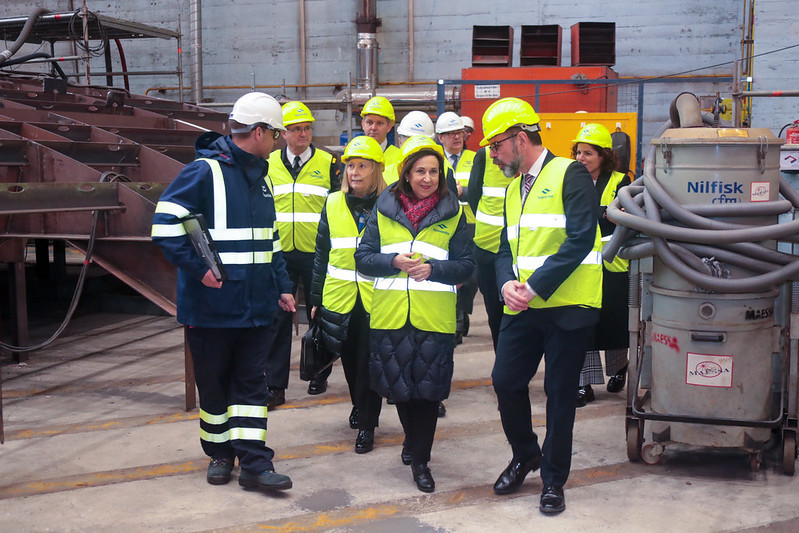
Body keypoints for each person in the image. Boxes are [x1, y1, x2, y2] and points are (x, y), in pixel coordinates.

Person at [151, 92, 295, 492]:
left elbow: (270, 241)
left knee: (251, 386)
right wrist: (200, 271)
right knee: (214, 386)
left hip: (255, 307)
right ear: (260, 132)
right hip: (211, 308)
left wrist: (283, 286)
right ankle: (220, 454)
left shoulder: (262, 176)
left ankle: (254, 464)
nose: (279, 141)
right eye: (277, 134)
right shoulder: (203, 172)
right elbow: (164, 227)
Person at [483, 97, 602, 514]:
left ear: (519, 139)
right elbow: (503, 249)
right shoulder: (514, 188)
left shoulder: (570, 173)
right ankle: (526, 453)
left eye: (496, 146)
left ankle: (553, 479)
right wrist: (505, 286)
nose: (492, 155)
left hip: (567, 306)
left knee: (559, 393)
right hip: (524, 305)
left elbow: (581, 239)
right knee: (505, 381)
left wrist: (533, 287)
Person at [355, 135, 474, 493]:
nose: (427, 178)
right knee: (400, 392)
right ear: (406, 173)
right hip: (390, 315)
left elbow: (467, 266)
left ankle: (421, 460)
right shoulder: (383, 209)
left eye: (434, 171)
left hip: (432, 318)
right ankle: (412, 440)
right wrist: (392, 262)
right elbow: (362, 258)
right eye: (420, 171)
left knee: (426, 393)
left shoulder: (454, 212)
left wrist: (434, 270)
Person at [309, 135, 387, 454]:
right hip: (341, 297)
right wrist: (314, 299)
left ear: (376, 170)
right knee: (351, 361)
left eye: (362, 166)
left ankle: (367, 425)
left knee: (370, 363)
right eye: (350, 166)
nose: (354, 172)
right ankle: (359, 405)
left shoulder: (389, 204)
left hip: (377, 299)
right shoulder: (332, 202)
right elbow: (321, 253)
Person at [263, 101, 341, 406]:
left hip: (316, 254)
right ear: (283, 133)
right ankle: (275, 386)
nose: (303, 134)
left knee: (319, 315)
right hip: (280, 255)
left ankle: (318, 373)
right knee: (278, 319)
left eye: (307, 128)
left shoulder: (329, 163)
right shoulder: (267, 164)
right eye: (296, 129)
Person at [570, 124, 631, 407]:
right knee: (583, 323)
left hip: (613, 264)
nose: (582, 158)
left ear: (604, 155)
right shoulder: (571, 179)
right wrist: (605, 213)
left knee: (615, 324)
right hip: (581, 264)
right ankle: (584, 383)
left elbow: (626, 216)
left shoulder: (623, 182)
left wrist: (603, 214)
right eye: (579, 152)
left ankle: (618, 368)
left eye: (588, 153)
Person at [467, 144, 517, 351]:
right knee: (495, 315)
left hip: (517, 252)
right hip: (488, 251)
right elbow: (474, 196)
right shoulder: (484, 156)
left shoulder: (529, 160)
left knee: (517, 317)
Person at [436, 112, 477, 346]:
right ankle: (457, 322)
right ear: (440, 137)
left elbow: (483, 191)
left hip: (472, 225)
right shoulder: (434, 160)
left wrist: (464, 192)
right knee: (451, 274)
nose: (456, 137)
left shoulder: (477, 158)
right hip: (446, 226)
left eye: (459, 133)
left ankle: (464, 311)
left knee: (470, 279)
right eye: (450, 134)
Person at [383, 110, 435, 184]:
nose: (416, 147)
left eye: (421, 142)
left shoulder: (444, 170)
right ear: (400, 142)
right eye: (411, 141)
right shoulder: (385, 175)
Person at [361, 96, 400, 171]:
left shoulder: (399, 158)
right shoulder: (354, 156)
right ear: (363, 124)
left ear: (389, 126)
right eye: (369, 122)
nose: (373, 127)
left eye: (379, 123)